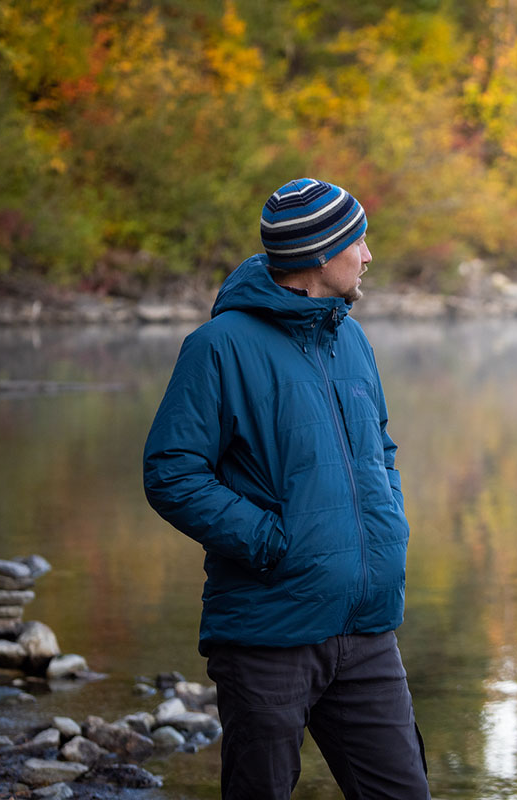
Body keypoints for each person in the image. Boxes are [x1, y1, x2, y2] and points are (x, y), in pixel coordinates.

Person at [143, 178, 430, 800]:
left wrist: (390, 525)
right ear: (322, 255)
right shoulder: (218, 348)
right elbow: (171, 472)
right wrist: (275, 544)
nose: (368, 255)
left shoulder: (350, 338)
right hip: (269, 632)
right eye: (359, 241)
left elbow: (380, 450)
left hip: (367, 628)